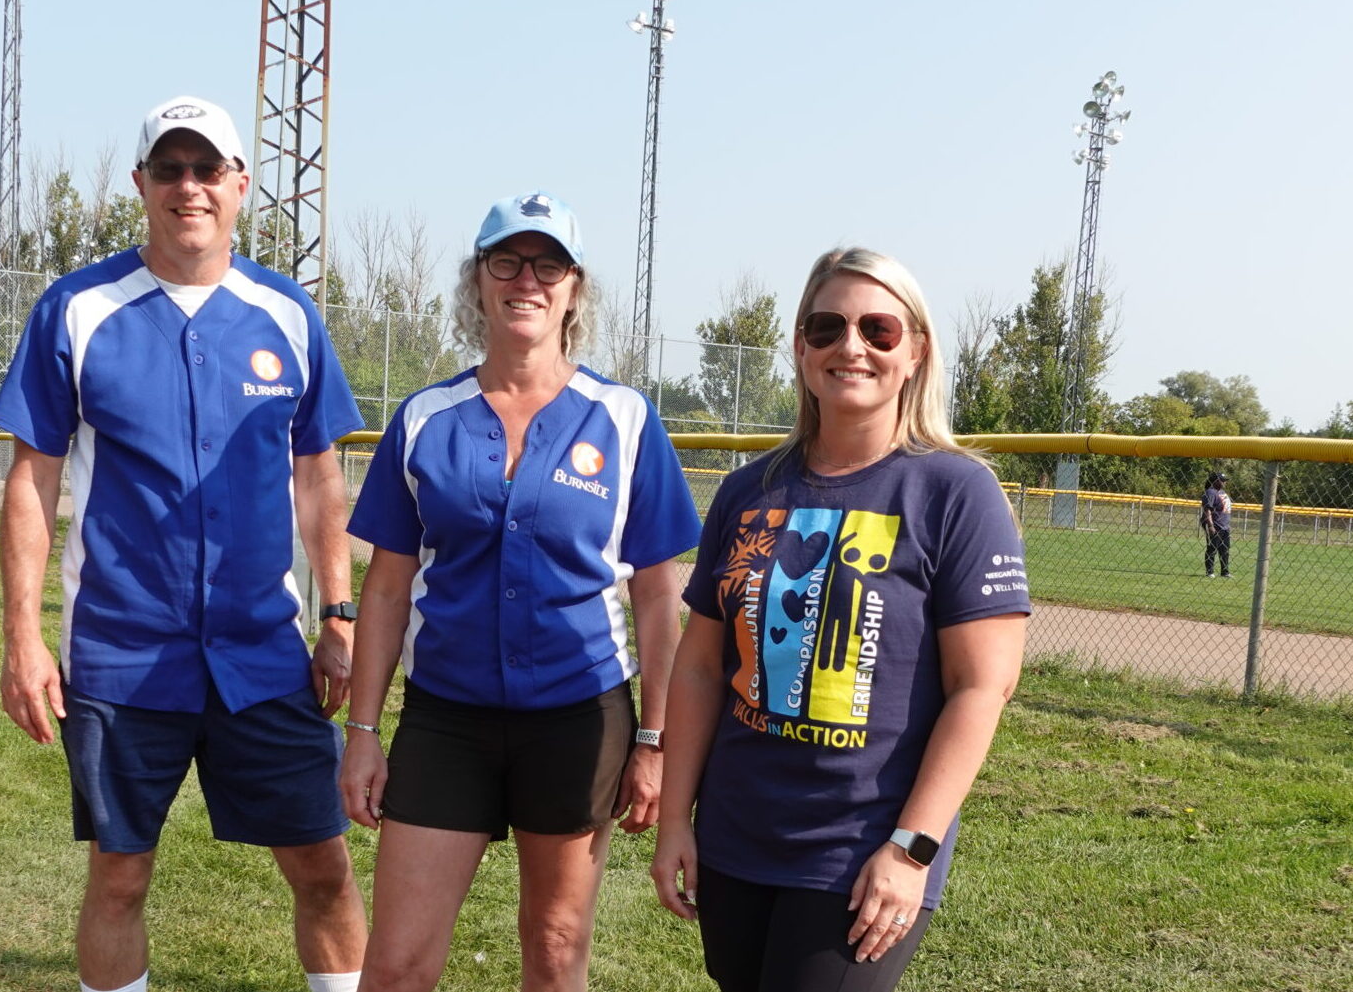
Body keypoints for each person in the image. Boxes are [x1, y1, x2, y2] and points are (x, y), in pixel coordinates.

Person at [0, 95, 367, 992]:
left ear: (241, 185)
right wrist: (23, 636)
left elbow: (319, 479)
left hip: (263, 651)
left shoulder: (284, 313)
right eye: (170, 168)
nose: (189, 187)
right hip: (125, 652)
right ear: (141, 184)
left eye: (208, 170)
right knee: (119, 875)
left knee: (322, 865)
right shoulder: (77, 308)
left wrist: (339, 612)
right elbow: (32, 481)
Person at [339, 193, 702, 992]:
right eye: (506, 260)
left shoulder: (624, 418)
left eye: (548, 264)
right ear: (478, 280)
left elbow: (654, 598)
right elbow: (389, 587)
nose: (526, 279)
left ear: (574, 287)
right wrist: (363, 729)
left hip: (579, 716)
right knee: (396, 964)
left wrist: (654, 741)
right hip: (446, 717)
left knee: (554, 946)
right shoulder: (427, 416)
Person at [650, 248, 1031, 992]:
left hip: (861, 848)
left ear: (914, 349)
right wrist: (674, 821)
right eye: (825, 327)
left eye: (878, 329)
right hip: (737, 836)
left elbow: (982, 687)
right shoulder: (746, 490)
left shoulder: (954, 491)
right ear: (799, 347)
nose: (849, 346)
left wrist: (910, 848)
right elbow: (698, 666)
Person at [1201, 471, 1232, 577]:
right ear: (1215, 481)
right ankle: (1210, 572)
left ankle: (1225, 572)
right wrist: (1210, 526)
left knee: (1225, 550)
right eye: (1222, 480)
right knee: (1212, 549)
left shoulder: (1222, 492)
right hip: (1215, 525)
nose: (1224, 482)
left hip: (1224, 526)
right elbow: (1207, 510)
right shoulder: (1210, 492)